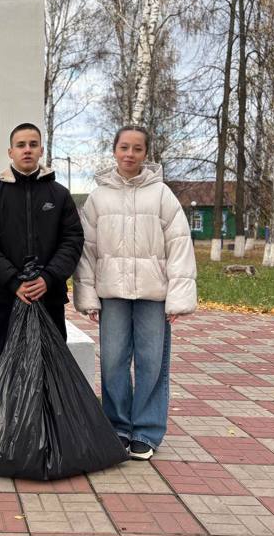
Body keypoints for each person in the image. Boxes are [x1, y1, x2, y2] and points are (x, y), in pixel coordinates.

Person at [73, 125, 196, 460]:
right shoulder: (99, 197)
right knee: (113, 362)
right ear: (114, 150)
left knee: (151, 363)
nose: (129, 154)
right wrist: (87, 295)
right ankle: (118, 427)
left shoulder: (162, 195)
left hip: (153, 295)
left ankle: (146, 431)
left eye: (137, 149)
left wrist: (178, 298)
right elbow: (88, 250)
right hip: (111, 293)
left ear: (146, 154)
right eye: (124, 147)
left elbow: (180, 245)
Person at [0, 122, 84, 382]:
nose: (27, 150)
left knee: (51, 365)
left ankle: (49, 421)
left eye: (33, 145)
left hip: (49, 296)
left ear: (41, 150)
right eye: (21, 145)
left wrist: (47, 278)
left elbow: (72, 239)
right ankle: (2, 423)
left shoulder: (59, 195)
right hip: (6, 297)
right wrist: (14, 281)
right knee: (4, 361)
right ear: (10, 152)